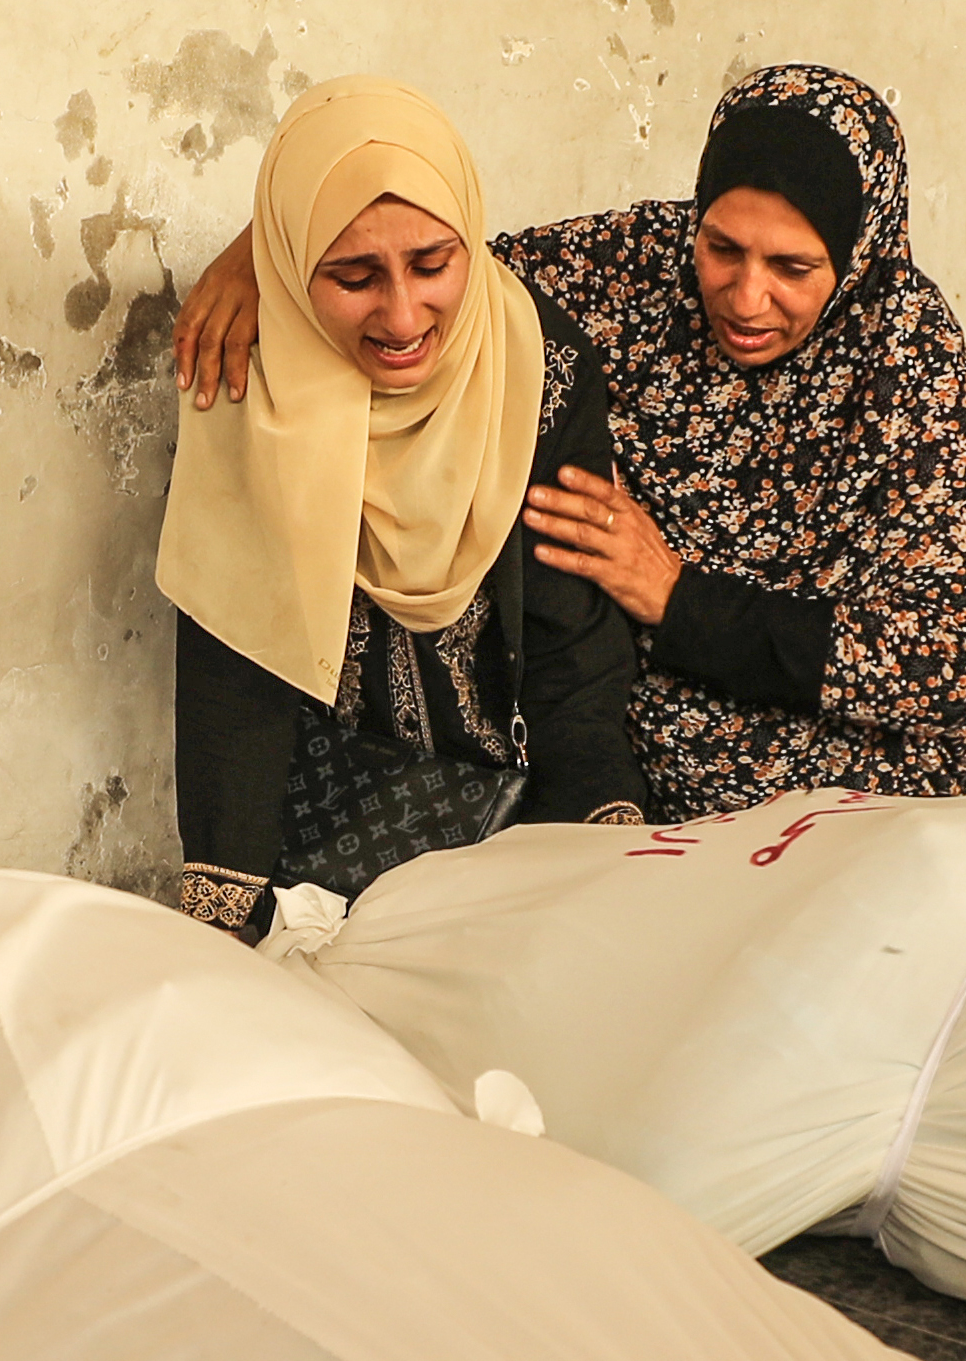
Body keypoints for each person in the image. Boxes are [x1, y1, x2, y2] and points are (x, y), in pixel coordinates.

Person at [173, 67, 966, 823]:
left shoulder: (908, 359)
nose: (745, 296)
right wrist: (262, 255)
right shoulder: (634, 266)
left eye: (792, 268)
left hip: (857, 792)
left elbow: (933, 669)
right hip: (648, 787)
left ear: (858, 257)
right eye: (722, 247)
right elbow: (427, 253)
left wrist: (676, 598)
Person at [157, 77, 642, 939]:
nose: (403, 315)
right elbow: (235, 657)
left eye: (432, 265)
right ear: (289, 265)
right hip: (325, 853)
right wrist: (223, 912)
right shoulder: (248, 373)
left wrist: (605, 846)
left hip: (519, 826)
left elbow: (572, 646)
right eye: (353, 277)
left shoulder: (535, 364)